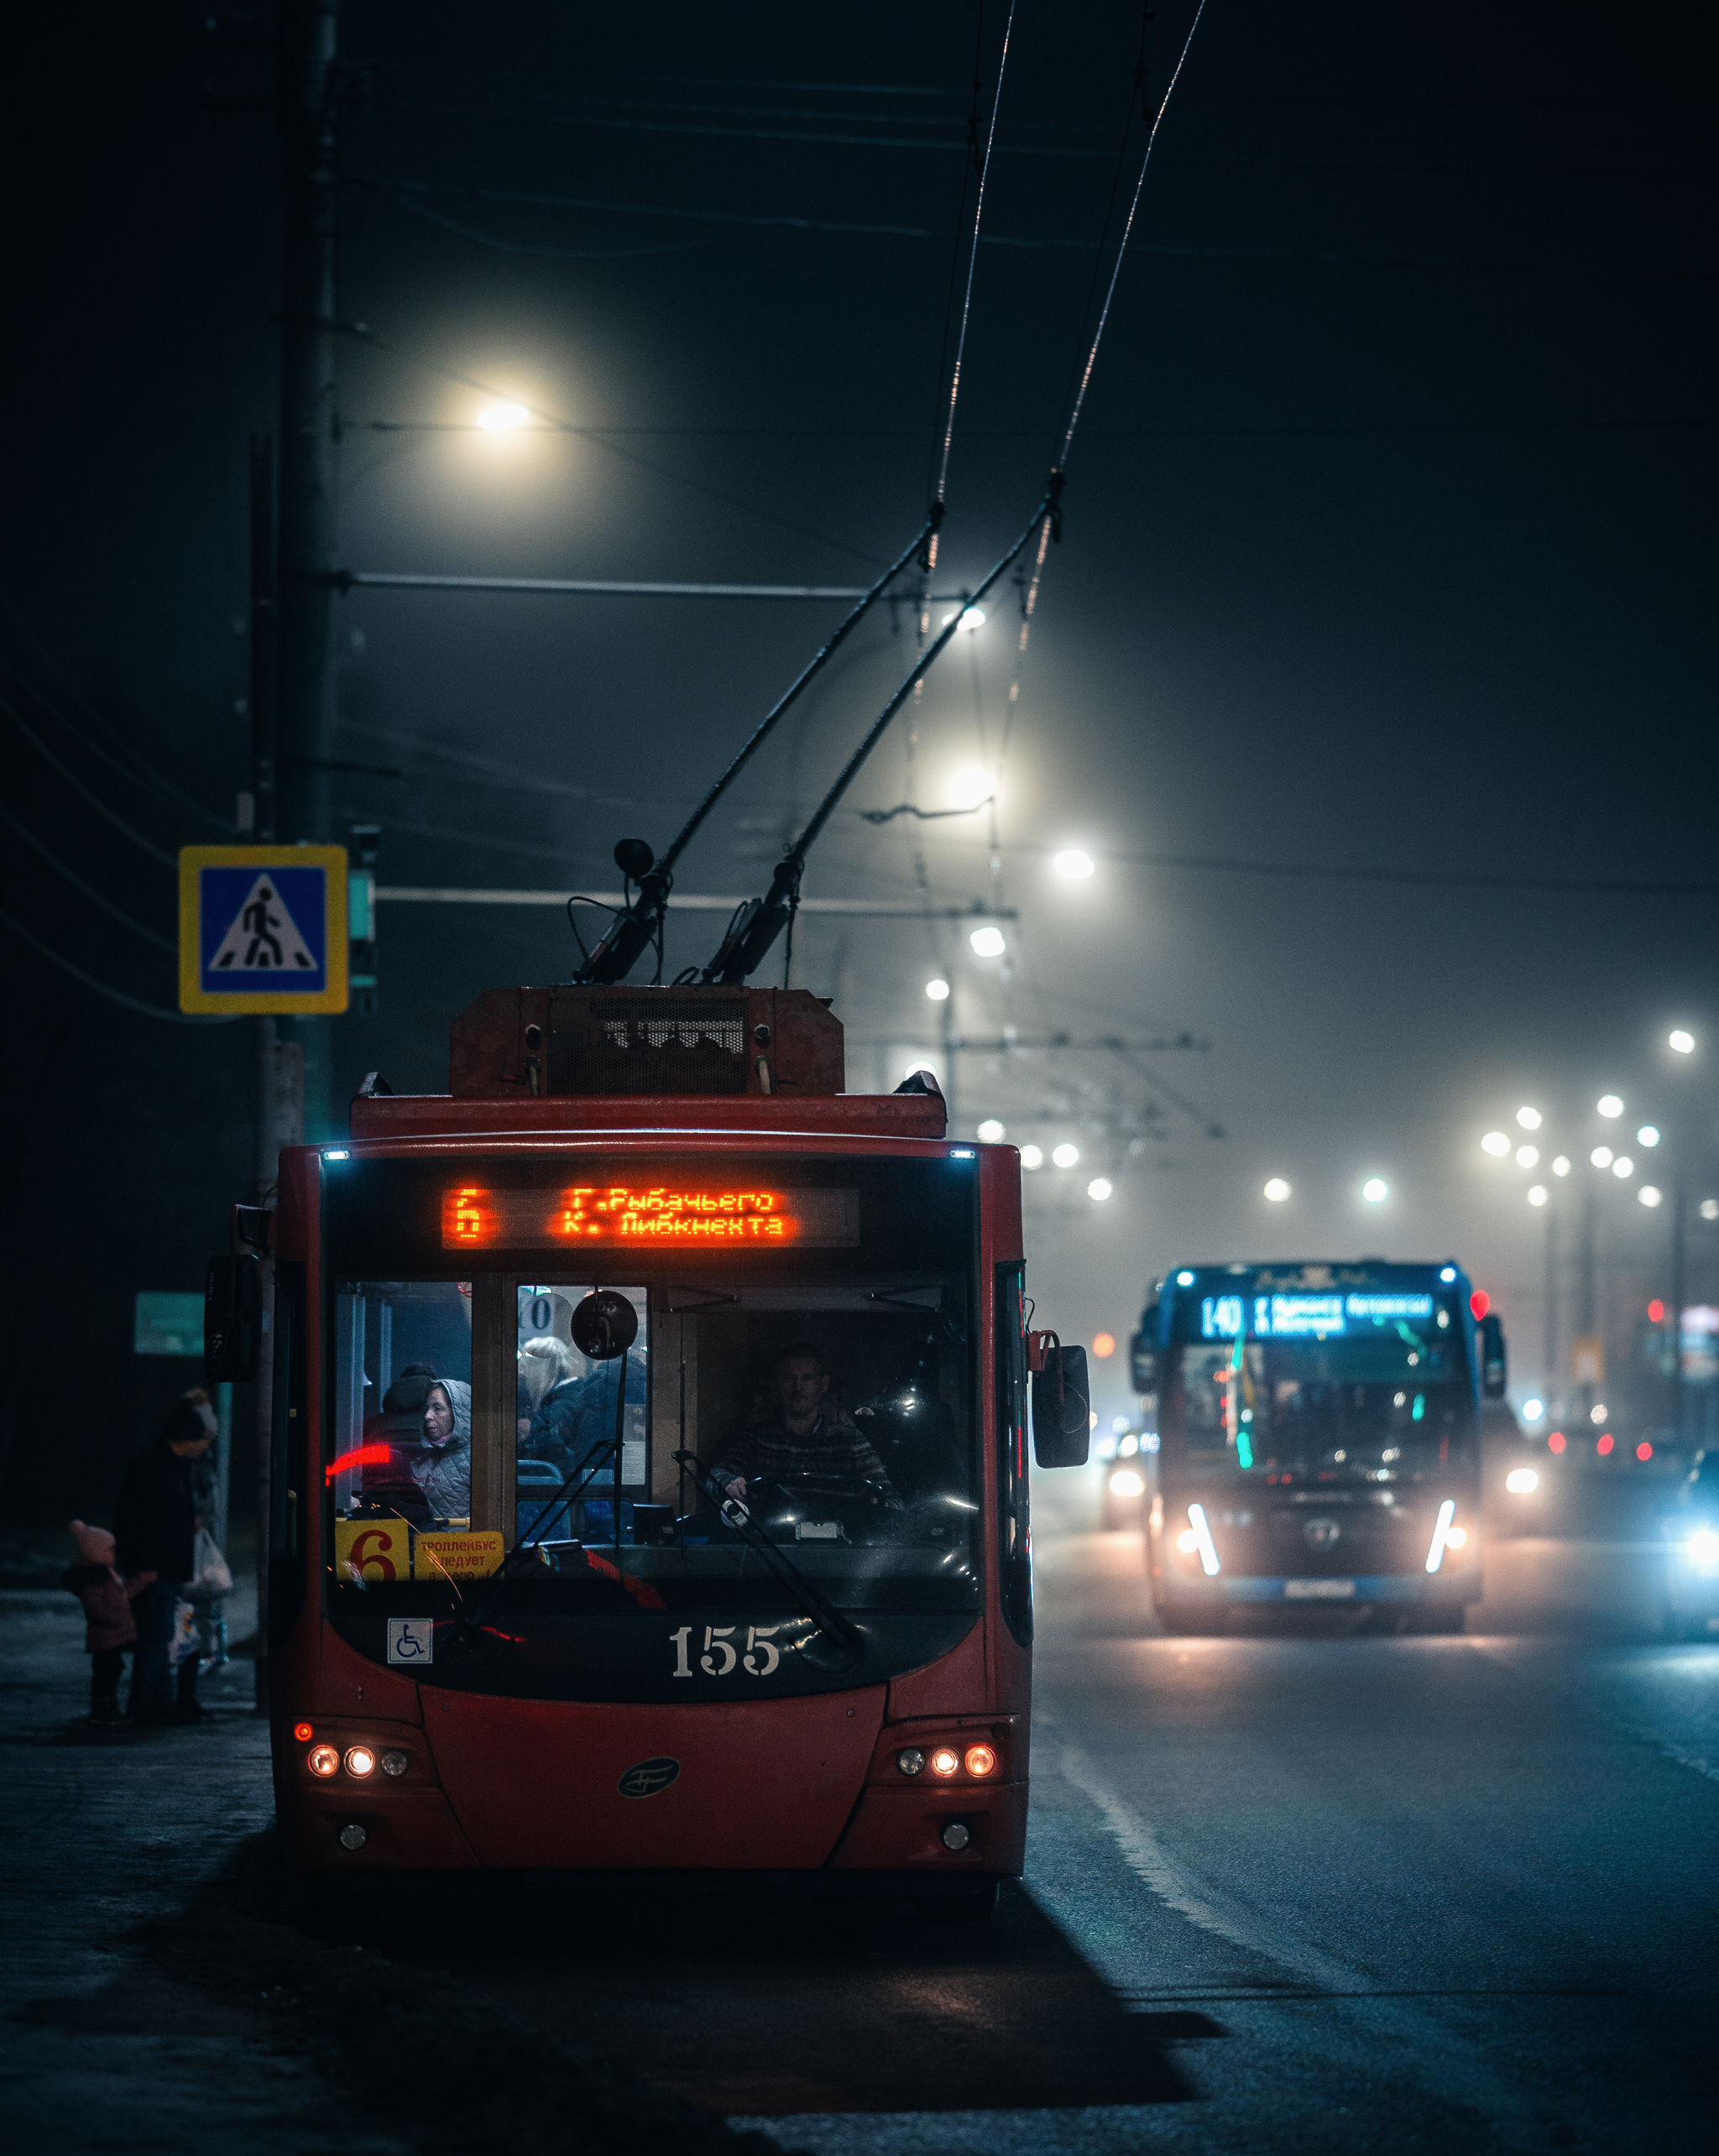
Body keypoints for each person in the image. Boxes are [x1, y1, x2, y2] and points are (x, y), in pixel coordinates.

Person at [114, 1397, 214, 1724]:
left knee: (163, 1635)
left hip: (164, 1566)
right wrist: (147, 1566)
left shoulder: (168, 1466)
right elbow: (141, 1519)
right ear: (186, 1438)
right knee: (156, 1637)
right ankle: (144, 1704)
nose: (204, 1445)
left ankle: (159, 1700)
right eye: (201, 1438)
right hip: (155, 1567)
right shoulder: (157, 1467)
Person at [709, 1344, 901, 1508]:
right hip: (771, 1544)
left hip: (836, 1546)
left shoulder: (849, 1441)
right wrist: (728, 1483)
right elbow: (717, 1475)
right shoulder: (757, 1437)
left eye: (807, 1378)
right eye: (788, 1378)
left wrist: (879, 1506)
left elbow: (890, 1498)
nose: (797, 1388)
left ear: (824, 1384)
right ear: (777, 1383)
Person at [61, 1520, 138, 1723]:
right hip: (105, 1637)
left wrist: (140, 1582)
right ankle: (102, 1708)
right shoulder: (95, 1580)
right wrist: (118, 1620)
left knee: (112, 1671)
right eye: (110, 1549)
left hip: (114, 1636)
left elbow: (122, 1595)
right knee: (105, 1672)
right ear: (97, 1552)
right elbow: (96, 1609)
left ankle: (108, 1707)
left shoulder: (108, 1576)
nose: (114, 1553)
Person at [415, 1376, 473, 1522]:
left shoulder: (478, 1461)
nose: (428, 1416)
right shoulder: (426, 1459)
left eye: (437, 1409)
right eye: (427, 1408)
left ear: (459, 1415)